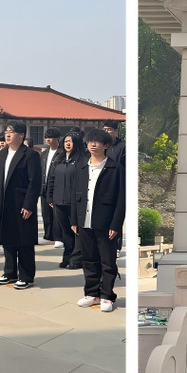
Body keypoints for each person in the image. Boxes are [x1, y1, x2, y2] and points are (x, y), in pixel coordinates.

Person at [72, 128, 124, 313]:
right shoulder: (81, 168)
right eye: (90, 141)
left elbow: (121, 200)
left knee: (107, 261)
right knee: (88, 259)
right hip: (84, 221)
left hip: (105, 223)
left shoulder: (115, 168)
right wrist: (74, 220)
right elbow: (75, 195)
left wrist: (115, 224)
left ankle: (107, 295)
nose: (93, 145)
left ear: (106, 145)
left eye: (97, 142)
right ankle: (91, 293)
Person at [0, 121, 42, 290]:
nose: (7, 134)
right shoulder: (0, 155)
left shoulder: (30, 155)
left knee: (24, 241)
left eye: (11, 131)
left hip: (21, 204)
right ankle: (10, 272)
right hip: (4, 203)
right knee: (8, 239)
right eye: (6, 131)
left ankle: (26, 276)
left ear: (21, 135)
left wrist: (29, 205)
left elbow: (34, 182)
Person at [48, 130, 85, 270]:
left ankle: (77, 259)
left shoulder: (82, 160)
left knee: (77, 232)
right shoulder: (59, 159)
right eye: (66, 141)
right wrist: (50, 196)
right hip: (59, 201)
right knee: (66, 232)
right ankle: (67, 257)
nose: (68, 144)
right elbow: (51, 179)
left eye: (71, 141)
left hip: (75, 202)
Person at [39, 128, 62, 242]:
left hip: (56, 187)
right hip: (44, 186)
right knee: (46, 213)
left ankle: (58, 236)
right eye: (46, 137)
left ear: (57, 138)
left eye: (51, 137)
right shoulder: (44, 154)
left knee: (56, 213)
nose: (48, 140)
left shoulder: (61, 153)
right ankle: (48, 234)